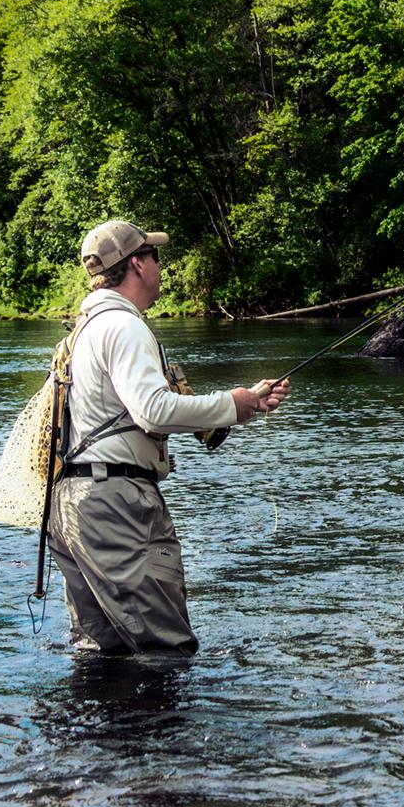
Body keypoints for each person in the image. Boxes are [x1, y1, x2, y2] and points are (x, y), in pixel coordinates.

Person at [48, 219, 288, 656]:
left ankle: (102, 727)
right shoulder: (123, 326)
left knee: (103, 653)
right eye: (155, 256)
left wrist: (244, 405)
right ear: (137, 264)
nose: (161, 266)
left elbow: (123, 416)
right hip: (115, 505)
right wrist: (233, 403)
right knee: (165, 651)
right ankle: (168, 727)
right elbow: (152, 410)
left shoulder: (83, 330)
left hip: (72, 506)